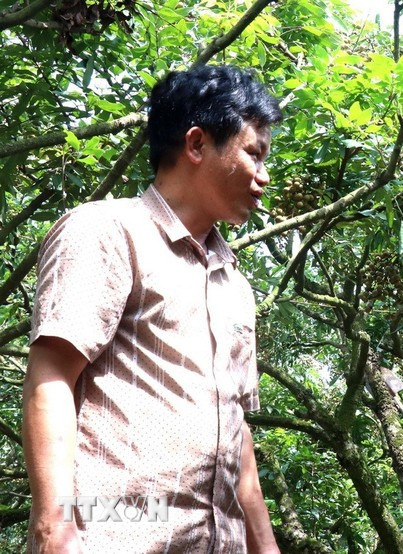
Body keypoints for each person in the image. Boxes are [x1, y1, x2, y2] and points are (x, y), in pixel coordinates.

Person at [22, 64, 282, 553]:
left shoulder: (235, 285)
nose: (264, 177)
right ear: (197, 144)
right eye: (255, 154)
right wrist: (55, 530)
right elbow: (50, 376)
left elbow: (236, 432)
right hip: (114, 536)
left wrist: (265, 548)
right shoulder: (107, 232)